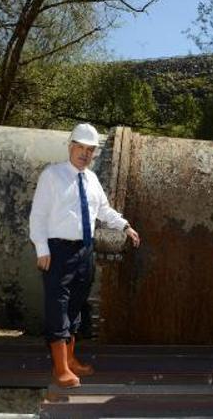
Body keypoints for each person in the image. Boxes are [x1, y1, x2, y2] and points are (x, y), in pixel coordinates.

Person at [29, 123, 141, 388]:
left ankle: (71, 360)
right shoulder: (52, 175)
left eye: (90, 149)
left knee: (76, 305)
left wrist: (125, 226)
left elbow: (103, 210)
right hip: (58, 250)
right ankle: (60, 369)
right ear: (70, 147)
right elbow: (38, 215)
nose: (84, 153)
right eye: (80, 147)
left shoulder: (91, 179)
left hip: (85, 250)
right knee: (58, 307)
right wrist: (42, 249)